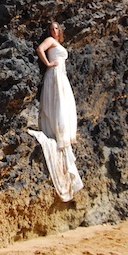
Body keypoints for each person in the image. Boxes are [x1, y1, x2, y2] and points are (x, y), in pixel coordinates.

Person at [28, 21, 83, 202]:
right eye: (51, 28)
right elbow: (39, 49)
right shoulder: (50, 40)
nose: (54, 30)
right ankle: (57, 132)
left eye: (56, 28)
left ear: (60, 30)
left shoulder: (58, 43)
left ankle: (62, 133)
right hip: (54, 74)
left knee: (64, 103)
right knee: (57, 102)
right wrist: (48, 64)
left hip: (61, 75)